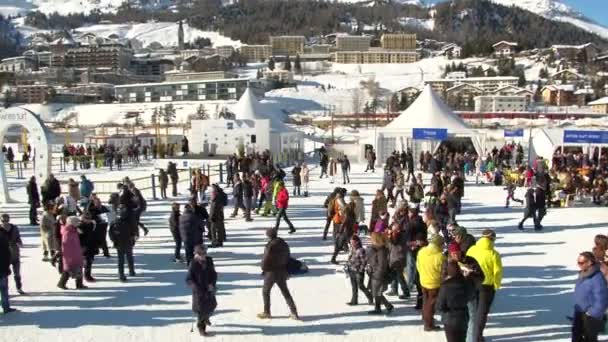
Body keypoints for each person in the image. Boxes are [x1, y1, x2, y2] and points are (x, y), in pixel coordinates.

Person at [466, 229, 503, 342]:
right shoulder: (494, 254)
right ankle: (477, 337)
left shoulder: (472, 249)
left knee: (472, 312)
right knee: (481, 313)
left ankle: (469, 335)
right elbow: (497, 272)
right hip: (486, 287)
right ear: (492, 239)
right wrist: (496, 285)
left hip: (471, 283)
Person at [257, 228, 299, 320]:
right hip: (282, 271)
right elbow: (288, 257)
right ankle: (294, 312)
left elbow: (265, 259)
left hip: (271, 272)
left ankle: (267, 312)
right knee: (285, 292)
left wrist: (263, 268)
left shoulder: (270, 246)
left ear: (269, 236)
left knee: (265, 291)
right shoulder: (284, 244)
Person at [572, 251, 608, 342]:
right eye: (578, 262)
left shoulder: (597, 278)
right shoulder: (584, 273)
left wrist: (592, 313)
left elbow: (602, 299)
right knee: (576, 337)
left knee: (590, 339)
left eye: (581, 263)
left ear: (590, 263)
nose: (578, 265)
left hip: (590, 316)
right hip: (580, 312)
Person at [436, 260, 475, 342]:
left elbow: (439, 306)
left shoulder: (445, 286)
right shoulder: (466, 282)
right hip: (463, 317)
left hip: (449, 319)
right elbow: (471, 296)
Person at [186, 245, 217, 336]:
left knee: (212, 305)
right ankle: (201, 327)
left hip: (209, 289)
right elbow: (188, 279)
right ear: (195, 254)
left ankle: (206, 318)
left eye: (205, 253)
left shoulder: (209, 260)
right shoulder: (193, 263)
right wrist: (195, 287)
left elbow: (213, 273)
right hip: (199, 292)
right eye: (201, 254)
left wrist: (212, 284)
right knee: (201, 310)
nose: (203, 255)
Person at [417, 235, 446, 331]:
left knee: (426, 301)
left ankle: (425, 317)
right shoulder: (440, 257)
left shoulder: (421, 251)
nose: (444, 247)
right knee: (431, 305)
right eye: (443, 245)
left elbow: (418, 265)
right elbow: (442, 272)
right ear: (439, 245)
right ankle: (428, 325)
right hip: (434, 284)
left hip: (423, 281)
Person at [366, 232, 394, 315]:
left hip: (378, 275)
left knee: (377, 292)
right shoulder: (376, 248)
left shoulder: (382, 250)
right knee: (376, 292)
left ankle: (381, 307)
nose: (370, 240)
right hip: (374, 273)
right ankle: (385, 306)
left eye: (372, 239)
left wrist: (377, 274)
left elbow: (382, 265)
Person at [109, 204, 137, 282]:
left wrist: (114, 241)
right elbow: (111, 233)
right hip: (122, 242)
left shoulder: (116, 221)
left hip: (124, 242)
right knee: (125, 258)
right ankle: (124, 273)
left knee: (125, 258)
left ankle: (127, 272)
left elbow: (111, 233)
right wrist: (114, 241)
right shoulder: (116, 222)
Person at [57, 216, 87, 290]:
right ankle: (61, 283)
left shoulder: (73, 230)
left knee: (79, 268)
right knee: (68, 270)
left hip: (76, 252)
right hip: (71, 254)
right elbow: (66, 245)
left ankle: (79, 284)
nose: (79, 223)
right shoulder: (68, 232)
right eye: (77, 222)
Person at [0, 214, 24, 295]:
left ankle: (19, 287)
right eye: (3, 221)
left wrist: (19, 242)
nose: (5, 222)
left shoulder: (14, 228)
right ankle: (5, 291)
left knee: (17, 273)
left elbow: (18, 237)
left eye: (6, 220)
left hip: (15, 253)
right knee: (4, 274)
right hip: (4, 255)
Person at [346, 235, 373, 305]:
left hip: (358, 271)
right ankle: (354, 301)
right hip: (351, 270)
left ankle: (370, 297)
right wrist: (347, 266)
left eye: (353, 242)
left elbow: (364, 261)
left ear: (357, 242)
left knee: (361, 286)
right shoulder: (351, 249)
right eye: (351, 242)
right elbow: (349, 259)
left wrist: (361, 270)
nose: (351, 243)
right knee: (354, 286)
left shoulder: (361, 250)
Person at [0, 228, 16, 313]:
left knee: (4, 289)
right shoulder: (3, 234)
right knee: (4, 289)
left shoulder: (3, 233)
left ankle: (6, 307)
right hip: (3, 267)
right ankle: (6, 307)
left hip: (3, 267)